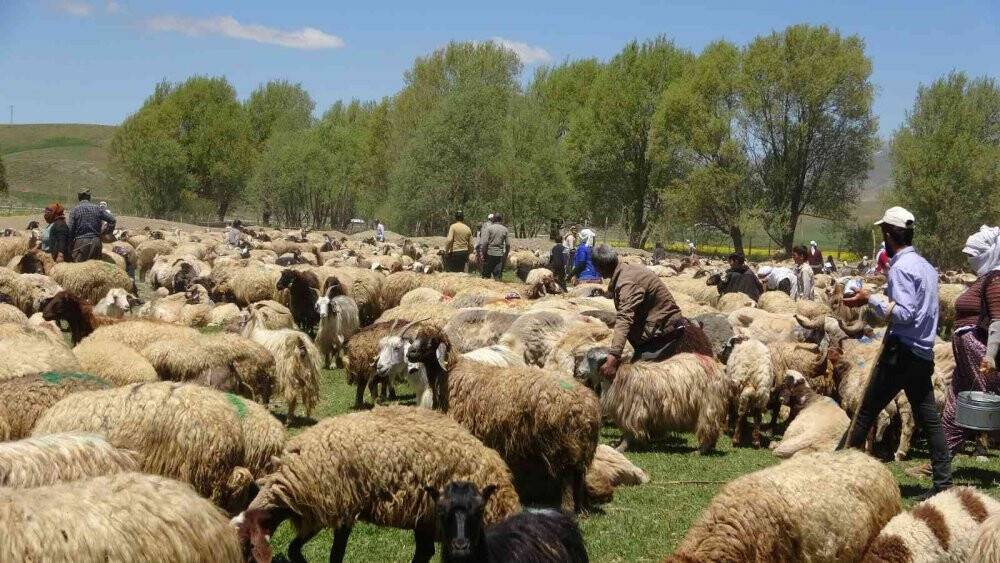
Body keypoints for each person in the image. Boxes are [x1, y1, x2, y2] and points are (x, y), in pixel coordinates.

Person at [839, 206, 951, 500]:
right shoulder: (926, 267)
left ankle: (836, 471)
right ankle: (943, 483)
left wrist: (869, 298)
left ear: (889, 234)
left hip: (900, 352)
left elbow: (903, 313)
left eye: (883, 233)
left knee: (865, 410)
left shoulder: (901, 267)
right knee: (929, 418)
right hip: (923, 353)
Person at [590, 244, 712, 377]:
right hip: (664, 329)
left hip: (665, 337)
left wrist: (614, 355)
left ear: (601, 268)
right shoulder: (629, 270)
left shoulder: (627, 282)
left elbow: (625, 317)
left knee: (640, 382)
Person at [941, 225, 1000, 458]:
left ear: (989, 253)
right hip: (965, 351)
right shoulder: (985, 278)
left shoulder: (995, 279)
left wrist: (990, 355)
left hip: (978, 349)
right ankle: (940, 463)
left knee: (985, 399)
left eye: (973, 255)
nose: (969, 260)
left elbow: (998, 320)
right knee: (955, 405)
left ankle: (981, 447)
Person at [67, 188, 115, 262]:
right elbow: (112, 220)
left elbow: (70, 230)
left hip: (81, 243)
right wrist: (105, 233)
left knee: (79, 268)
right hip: (96, 242)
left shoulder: (75, 210)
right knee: (95, 268)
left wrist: (69, 245)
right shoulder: (97, 208)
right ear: (89, 197)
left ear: (79, 197)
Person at [479, 213, 508, 281]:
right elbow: (508, 245)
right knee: (497, 277)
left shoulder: (489, 229)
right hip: (499, 255)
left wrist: (484, 254)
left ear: (493, 219)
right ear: (501, 220)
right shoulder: (505, 229)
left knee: (486, 276)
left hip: (489, 254)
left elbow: (485, 243)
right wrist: (505, 255)